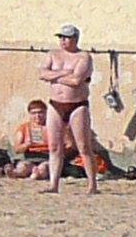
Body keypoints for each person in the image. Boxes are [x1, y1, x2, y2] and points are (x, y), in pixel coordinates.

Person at [36, 24, 104, 195]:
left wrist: (55, 75)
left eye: (66, 38)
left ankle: (92, 185)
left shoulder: (83, 57)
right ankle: (53, 184)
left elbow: (76, 80)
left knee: (83, 146)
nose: (62, 41)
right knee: (54, 146)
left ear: (75, 39)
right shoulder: (53, 55)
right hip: (55, 103)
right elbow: (42, 74)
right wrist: (64, 73)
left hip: (77, 104)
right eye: (60, 38)